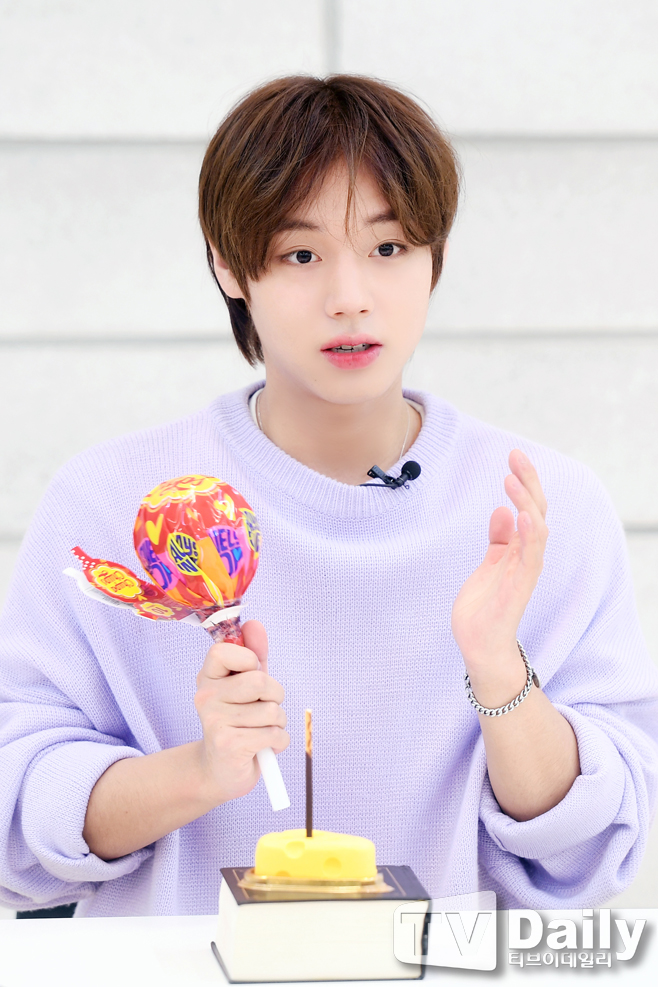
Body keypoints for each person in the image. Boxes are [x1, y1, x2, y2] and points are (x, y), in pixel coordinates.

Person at [1, 75, 657, 917]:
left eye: (389, 247)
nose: (351, 297)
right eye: (302, 255)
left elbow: (594, 854)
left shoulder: (538, 510)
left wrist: (499, 668)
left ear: (435, 257)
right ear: (228, 264)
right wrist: (197, 771)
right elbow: (18, 822)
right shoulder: (114, 506)